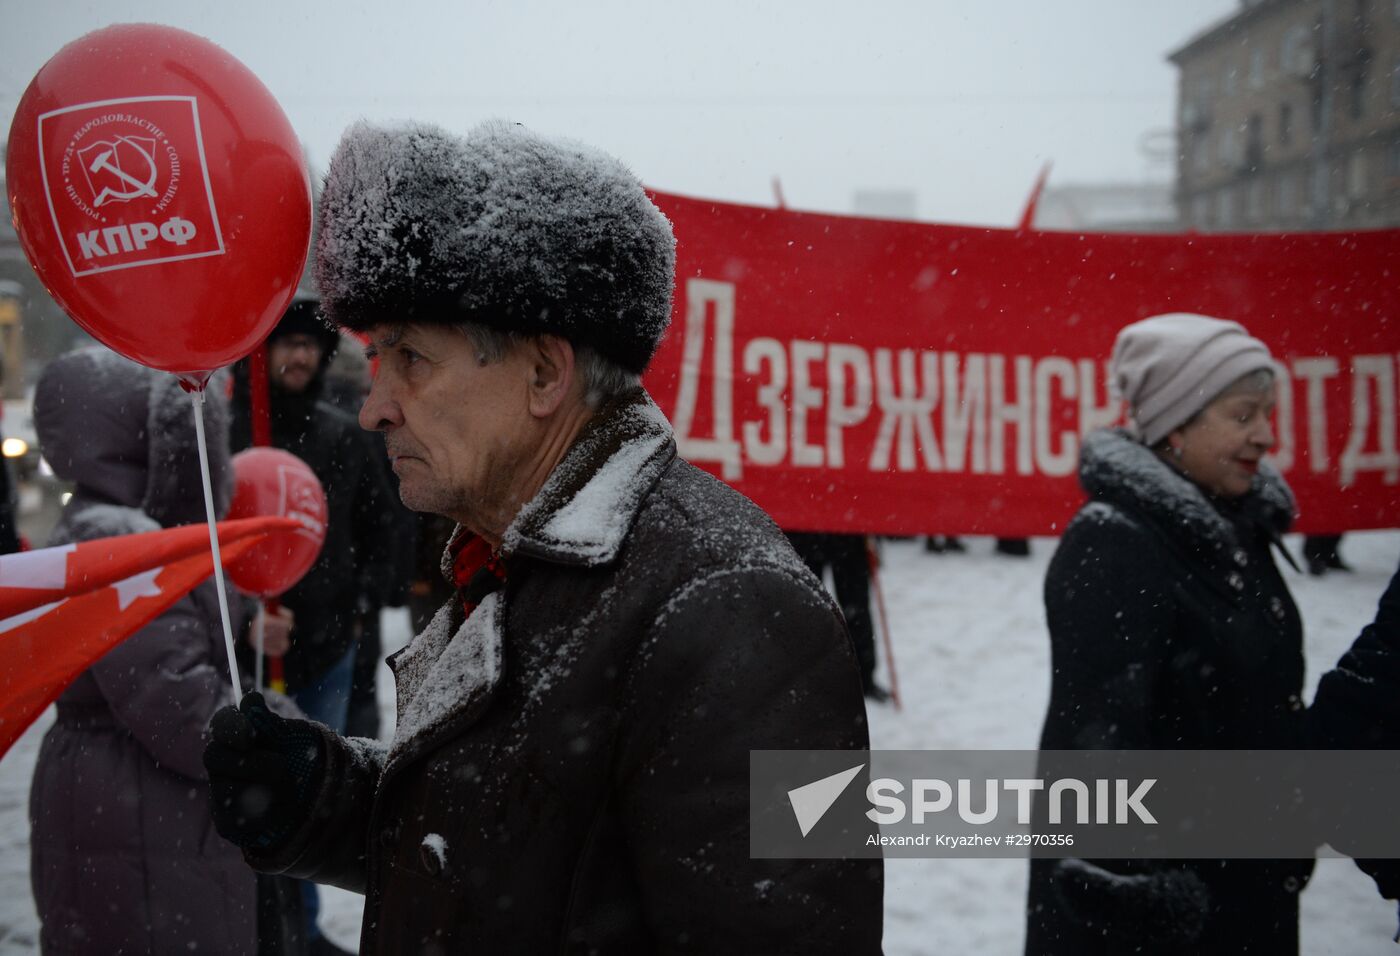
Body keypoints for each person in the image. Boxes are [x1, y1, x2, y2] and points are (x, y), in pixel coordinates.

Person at [204, 119, 882, 953]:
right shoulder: (510, 558)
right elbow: (508, 853)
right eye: (378, 361)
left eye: (410, 358)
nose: (375, 407)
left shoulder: (738, 607)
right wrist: (321, 798)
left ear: (543, 374)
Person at [1025, 314, 1313, 954]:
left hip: (1244, 888)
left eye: (1268, 414)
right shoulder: (1114, 543)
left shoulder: (1235, 526)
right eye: (1243, 416)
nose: (1266, 435)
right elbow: (1095, 750)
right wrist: (1142, 898)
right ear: (1175, 427)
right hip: (1164, 922)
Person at [28, 349, 302, 954]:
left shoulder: (110, 526)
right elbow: (178, 704)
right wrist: (283, 733)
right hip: (145, 809)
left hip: (121, 796)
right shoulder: (120, 543)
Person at [230, 297, 399, 955]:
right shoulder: (233, 432)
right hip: (244, 650)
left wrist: (359, 595)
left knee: (304, 793)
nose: (298, 355)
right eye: (287, 344)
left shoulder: (344, 434)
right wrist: (246, 612)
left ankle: (296, 926)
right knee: (245, 793)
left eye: (309, 345)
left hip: (326, 646)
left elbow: (382, 522)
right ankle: (253, 924)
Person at [785, 531, 889, 701]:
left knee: (856, 611)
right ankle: (805, 678)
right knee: (805, 610)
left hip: (845, 534)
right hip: (807, 532)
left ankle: (864, 677)